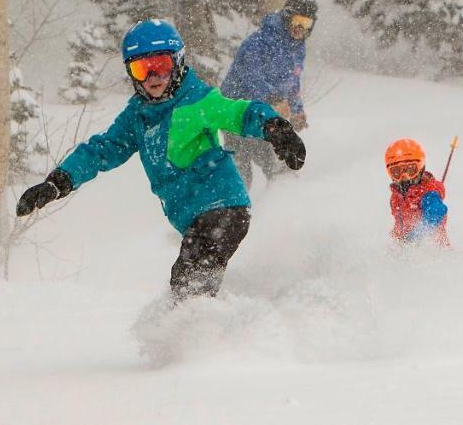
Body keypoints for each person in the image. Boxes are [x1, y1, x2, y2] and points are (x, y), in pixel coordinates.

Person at [15, 19, 307, 301]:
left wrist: (275, 128)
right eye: (143, 69)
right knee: (187, 281)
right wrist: (59, 181)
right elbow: (102, 149)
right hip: (192, 217)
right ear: (131, 72)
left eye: (161, 66)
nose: (153, 78)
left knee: (190, 279)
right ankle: (213, 326)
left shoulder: (197, 100)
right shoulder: (138, 116)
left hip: (224, 207)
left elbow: (240, 112)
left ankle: (200, 338)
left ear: (177, 64)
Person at [220, 0, 316, 186]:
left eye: (306, 24)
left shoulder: (298, 47)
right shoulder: (259, 42)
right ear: (287, 17)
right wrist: (274, 99)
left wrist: (297, 110)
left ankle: (280, 207)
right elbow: (251, 77)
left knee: (277, 163)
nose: (300, 29)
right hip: (235, 111)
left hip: (262, 114)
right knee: (241, 169)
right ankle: (232, 208)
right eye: (298, 21)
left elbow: (292, 82)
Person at [386, 138, 451, 246]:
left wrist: (421, 230)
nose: (404, 177)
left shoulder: (428, 191)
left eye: (411, 169)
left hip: (432, 250)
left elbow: (436, 211)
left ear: (421, 168)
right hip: (406, 250)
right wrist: (396, 240)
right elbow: (399, 223)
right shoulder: (396, 197)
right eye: (396, 172)